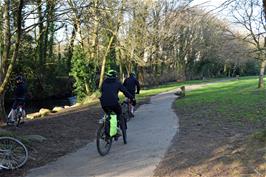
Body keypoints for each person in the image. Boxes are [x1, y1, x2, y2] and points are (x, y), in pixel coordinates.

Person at [100, 70, 134, 137]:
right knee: (119, 114)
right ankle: (117, 130)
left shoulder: (104, 82)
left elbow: (102, 91)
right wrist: (131, 98)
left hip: (103, 103)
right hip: (114, 103)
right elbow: (125, 91)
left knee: (108, 114)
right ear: (115, 76)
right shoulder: (117, 82)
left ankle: (106, 127)